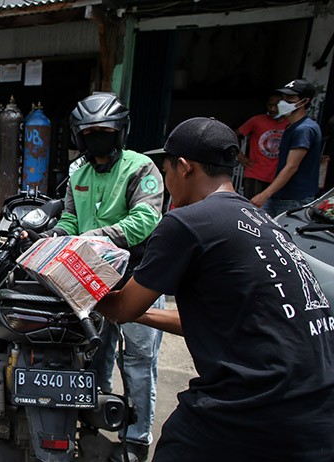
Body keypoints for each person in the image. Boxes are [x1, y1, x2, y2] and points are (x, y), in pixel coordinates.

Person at [95, 117, 334, 461]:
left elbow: (121, 309)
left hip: (252, 405)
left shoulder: (185, 223)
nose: (167, 185)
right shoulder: (264, 222)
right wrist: (146, 314)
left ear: (183, 167)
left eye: (166, 173)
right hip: (318, 412)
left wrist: (81, 290)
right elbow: (219, 318)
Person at [48, 93, 165, 462]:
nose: (96, 138)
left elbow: (147, 218)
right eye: (89, 132)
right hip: (91, 279)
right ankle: (95, 410)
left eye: (104, 131)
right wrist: (56, 237)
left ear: (120, 132)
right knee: (96, 351)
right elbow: (70, 217)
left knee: (139, 360)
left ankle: (136, 438)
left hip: (137, 278)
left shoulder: (141, 168)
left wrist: (100, 236)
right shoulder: (76, 172)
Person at [251, 79, 323, 216]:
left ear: (304, 102)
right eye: (283, 97)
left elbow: (291, 166)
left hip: (294, 197)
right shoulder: (292, 126)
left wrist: (264, 194)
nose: (283, 102)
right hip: (281, 194)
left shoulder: (304, 129)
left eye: (290, 98)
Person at [236, 92, 286, 199]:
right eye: (270, 105)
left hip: (278, 176)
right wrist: (239, 155)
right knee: (252, 209)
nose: (272, 109)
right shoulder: (257, 121)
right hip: (255, 173)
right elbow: (232, 136)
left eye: (276, 106)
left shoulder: (290, 123)